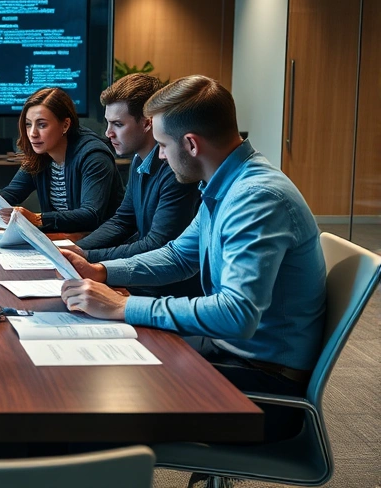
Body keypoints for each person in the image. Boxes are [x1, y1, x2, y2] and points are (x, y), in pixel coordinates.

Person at [60, 75, 326, 443]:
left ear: (191, 143)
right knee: (90, 357)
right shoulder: (226, 184)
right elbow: (178, 256)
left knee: (88, 397)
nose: (161, 156)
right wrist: (101, 270)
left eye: (164, 145)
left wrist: (124, 306)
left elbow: (237, 315)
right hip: (229, 353)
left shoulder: (257, 199)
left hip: (262, 388)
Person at [67, 74, 201, 296]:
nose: (108, 133)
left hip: (167, 292)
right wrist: (78, 249)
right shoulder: (139, 160)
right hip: (142, 281)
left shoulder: (177, 171)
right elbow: (123, 220)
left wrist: (89, 258)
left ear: (148, 122)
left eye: (118, 124)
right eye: (108, 123)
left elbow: (156, 244)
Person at [0, 87, 123, 231]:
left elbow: (91, 215)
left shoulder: (94, 156)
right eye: (28, 124)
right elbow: (10, 195)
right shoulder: (40, 153)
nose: (32, 133)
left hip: (96, 245)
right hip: (60, 240)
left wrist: (36, 218)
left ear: (65, 125)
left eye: (42, 125)